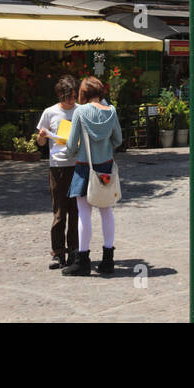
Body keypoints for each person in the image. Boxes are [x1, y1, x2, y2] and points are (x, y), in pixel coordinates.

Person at [62, 76, 123, 277]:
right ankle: (108, 259)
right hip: (104, 167)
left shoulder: (80, 111)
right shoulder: (112, 111)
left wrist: (73, 151)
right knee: (106, 211)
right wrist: (104, 148)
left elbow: (71, 145)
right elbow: (118, 140)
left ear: (83, 93)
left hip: (83, 166)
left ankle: (83, 260)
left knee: (84, 214)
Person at [35, 75, 80, 270]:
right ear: (60, 96)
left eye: (73, 97)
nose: (71, 101)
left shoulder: (81, 111)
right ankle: (58, 252)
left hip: (78, 165)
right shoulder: (49, 113)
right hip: (58, 166)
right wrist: (42, 137)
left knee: (76, 211)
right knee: (60, 211)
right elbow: (41, 143)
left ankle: (75, 251)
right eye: (67, 97)